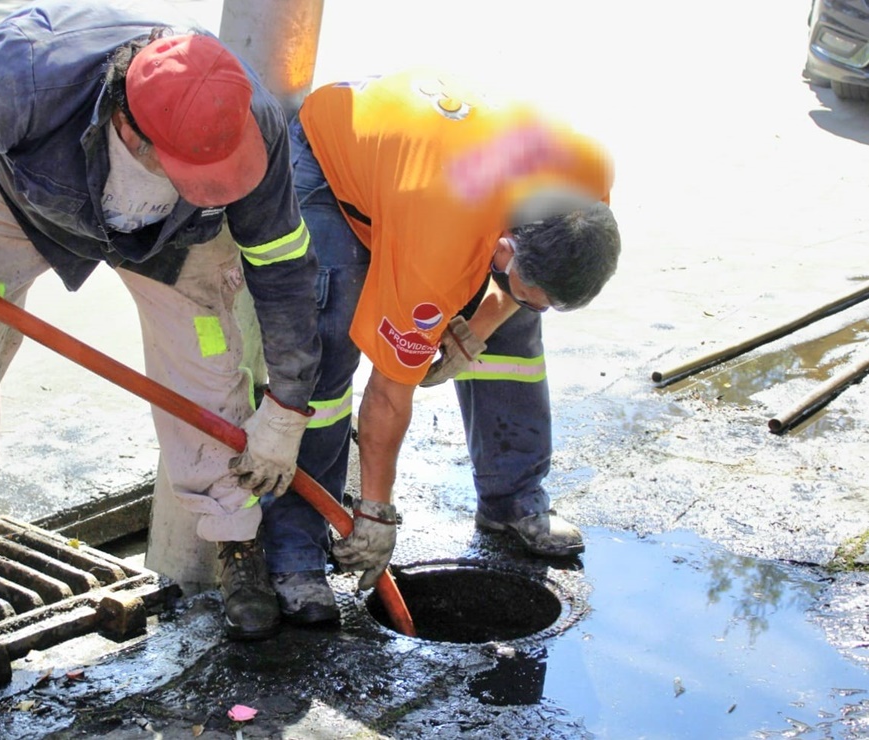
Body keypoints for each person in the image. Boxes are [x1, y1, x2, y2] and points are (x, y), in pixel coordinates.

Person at [0, 0, 321, 642]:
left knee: (212, 365)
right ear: (129, 129)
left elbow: (282, 265)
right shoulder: (22, 81)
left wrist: (286, 409)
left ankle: (235, 542)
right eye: (193, 171)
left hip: (178, 237)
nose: (211, 180)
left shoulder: (248, 121)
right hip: (24, 198)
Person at [259, 69, 621, 624]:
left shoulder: (586, 177)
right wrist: (377, 512)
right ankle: (296, 553)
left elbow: (520, 290)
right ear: (502, 250)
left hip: (434, 169)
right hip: (333, 167)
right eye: (531, 291)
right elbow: (387, 394)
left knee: (517, 327)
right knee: (327, 344)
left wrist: (480, 325)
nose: (534, 302)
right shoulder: (440, 242)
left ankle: (511, 500)